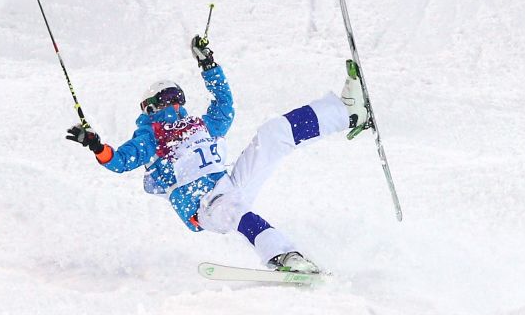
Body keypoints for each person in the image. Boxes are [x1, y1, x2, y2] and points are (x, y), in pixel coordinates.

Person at [66, 35, 369, 273]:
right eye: (165, 99)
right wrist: (96, 145)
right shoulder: (151, 136)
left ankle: (347, 112)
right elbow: (120, 161)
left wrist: (208, 64)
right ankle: (283, 257)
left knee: (272, 134)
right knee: (230, 209)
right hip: (203, 207)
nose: (174, 104)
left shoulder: (200, 125)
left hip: (229, 186)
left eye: (177, 97)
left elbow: (224, 105)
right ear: (150, 108)